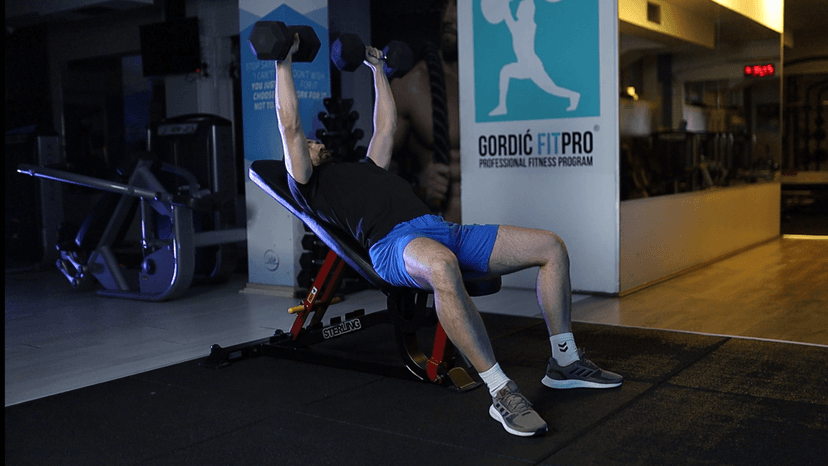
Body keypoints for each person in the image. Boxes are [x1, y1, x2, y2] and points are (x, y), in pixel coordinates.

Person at [276, 34, 622, 438]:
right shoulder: (307, 185)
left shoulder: (367, 168)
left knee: (551, 246)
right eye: (307, 145)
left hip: (442, 229)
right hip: (394, 245)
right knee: (442, 266)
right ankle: (501, 390)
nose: (312, 142)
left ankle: (564, 361)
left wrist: (378, 69)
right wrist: (283, 60)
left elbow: (386, 126)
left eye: (313, 141)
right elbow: (290, 125)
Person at [391, 0, 462, 223]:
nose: (448, 17)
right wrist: (420, 189)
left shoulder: (507, 82)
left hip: (506, 226)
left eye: (458, 6)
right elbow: (377, 175)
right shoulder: (413, 84)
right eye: (444, 6)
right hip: (445, 233)